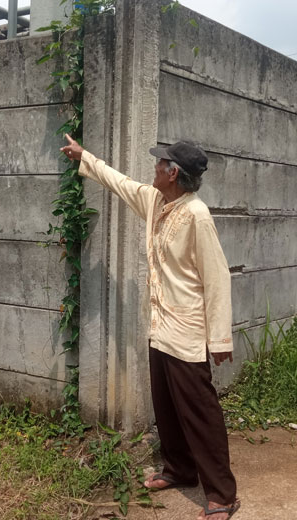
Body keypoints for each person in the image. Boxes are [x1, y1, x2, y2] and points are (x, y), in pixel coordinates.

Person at [61, 135, 240, 520]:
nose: (154, 167)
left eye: (161, 164)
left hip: (188, 330)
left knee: (199, 412)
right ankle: (179, 469)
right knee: (167, 405)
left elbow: (217, 277)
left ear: (173, 173)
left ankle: (222, 495)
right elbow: (120, 183)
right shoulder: (157, 201)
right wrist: (84, 156)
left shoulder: (197, 215)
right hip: (160, 326)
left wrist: (219, 336)